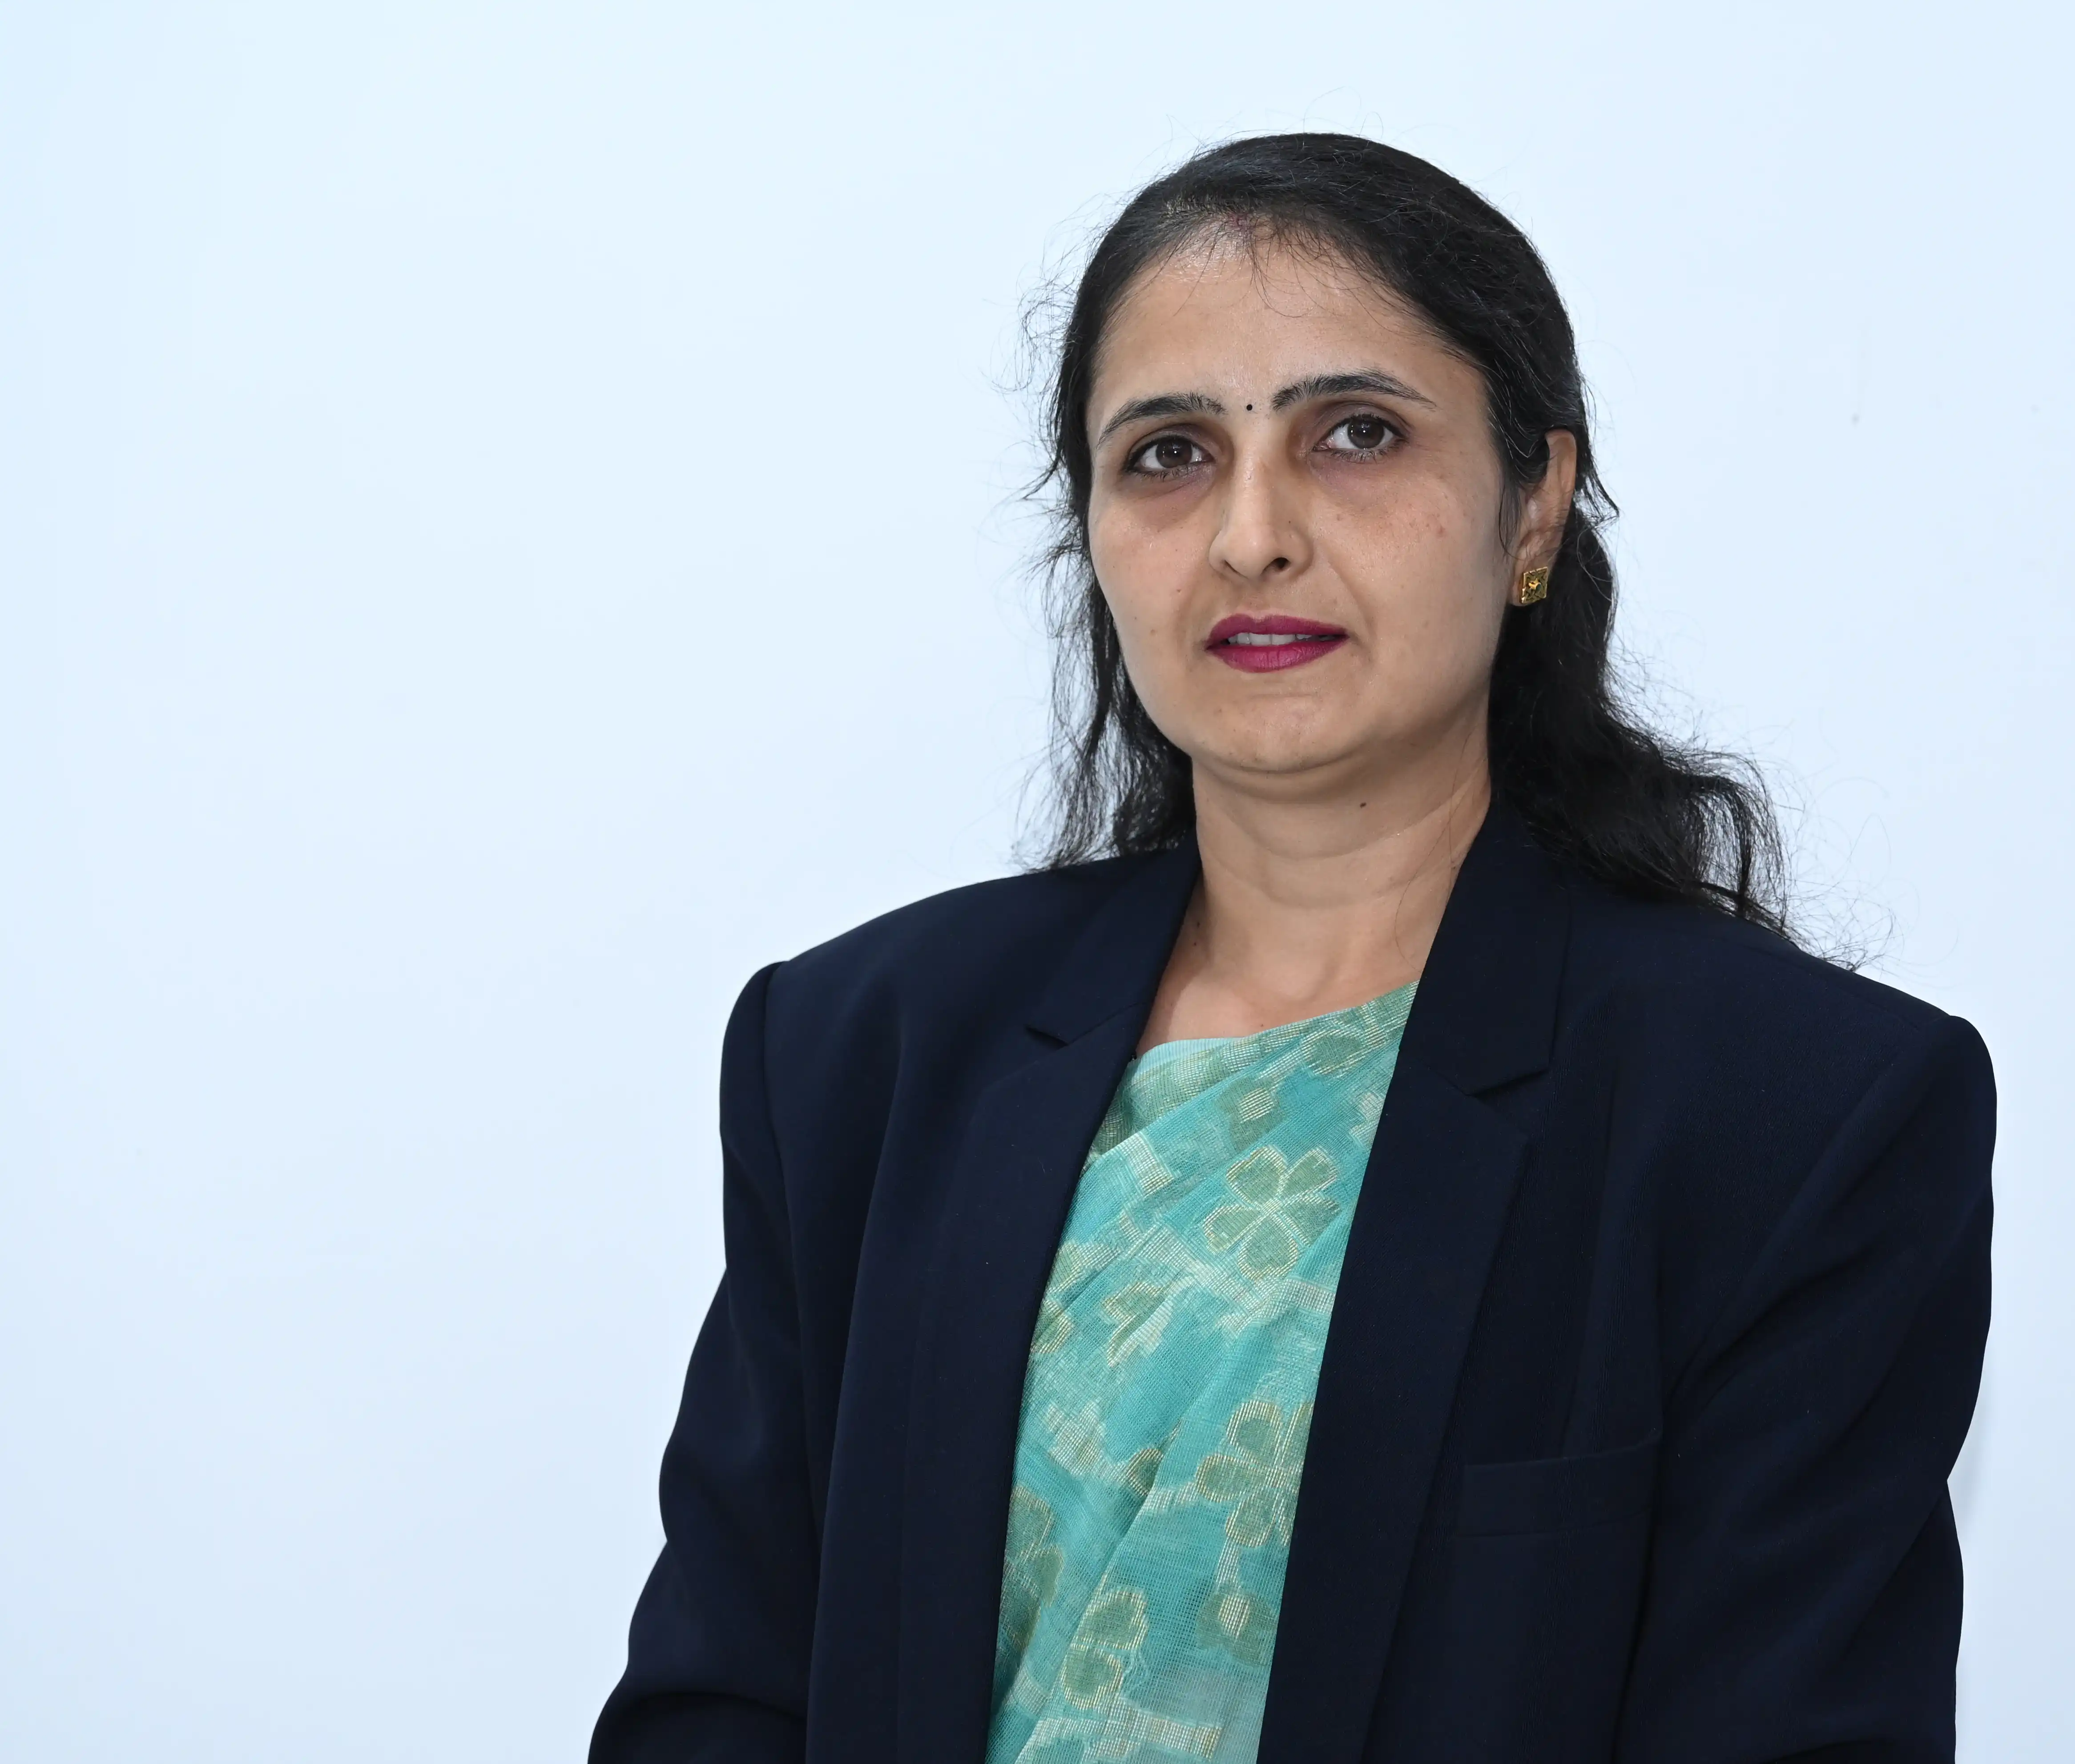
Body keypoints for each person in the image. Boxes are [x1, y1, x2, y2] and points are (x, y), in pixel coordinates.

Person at [591, 133, 1994, 1764]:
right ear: (1093, 534)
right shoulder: (863, 1055)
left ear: (1535, 505)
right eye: (1170, 455)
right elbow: (722, 1701)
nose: (1251, 534)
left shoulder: (1791, 1119)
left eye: (1356, 435)